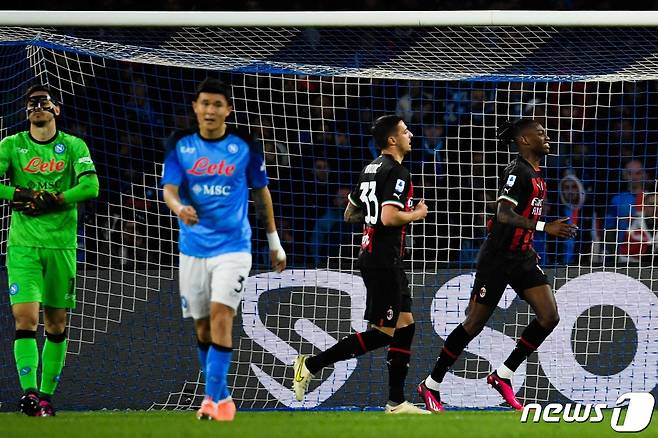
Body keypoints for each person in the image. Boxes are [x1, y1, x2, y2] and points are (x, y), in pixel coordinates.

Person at [417, 119, 577, 412]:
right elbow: (503, 214)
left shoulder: (540, 175)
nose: (547, 137)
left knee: (549, 316)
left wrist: (529, 241)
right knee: (473, 324)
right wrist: (544, 227)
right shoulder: (518, 173)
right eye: (541, 133)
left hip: (522, 256)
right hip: (498, 259)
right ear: (525, 141)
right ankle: (431, 383)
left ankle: (503, 374)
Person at [161, 78, 286, 422]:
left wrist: (274, 243)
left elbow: (261, 193)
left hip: (234, 248)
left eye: (218, 104)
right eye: (205, 103)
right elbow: (169, 189)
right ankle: (223, 396)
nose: (211, 110)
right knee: (202, 328)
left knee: (221, 316)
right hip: (192, 249)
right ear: (196, 108)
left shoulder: (244, 145)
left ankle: (211, 402)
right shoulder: (180, 145)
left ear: (228, 110)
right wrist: (178, 208)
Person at [293, 115, 429, 414]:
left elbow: (350, 213)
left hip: (379, 256)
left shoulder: (370, 168)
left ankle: (396, 401)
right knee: (384, 332)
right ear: (392, 139)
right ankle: (311, 364)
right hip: (382, 259)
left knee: (406, 326)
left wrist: (372, 219)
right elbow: (388, 217)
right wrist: (417, 213)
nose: (411, 136)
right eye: (406, 131)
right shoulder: (397, 172)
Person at [1, 84, 99, 416]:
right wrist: (22, 194)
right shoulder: (12, 145)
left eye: (44, 102)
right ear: (25, 111)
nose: (38, 107)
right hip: (24, 245)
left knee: (56, 323)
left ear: (56, 109)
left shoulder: (73, 146)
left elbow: (91, 185)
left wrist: (57, 199)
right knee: (24, 317)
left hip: (61, 246)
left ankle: (45, 396)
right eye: (32, 103)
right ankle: (29, 393)